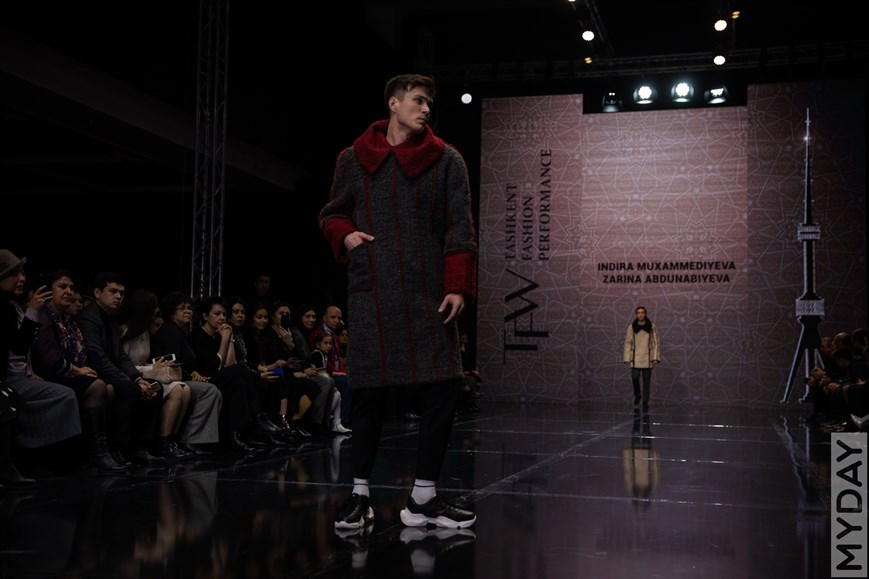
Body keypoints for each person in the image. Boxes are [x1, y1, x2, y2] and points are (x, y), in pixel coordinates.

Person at [319, 74, 478, 530]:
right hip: (373, 288)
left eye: (430, 103)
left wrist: (457, 285)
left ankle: (423, 498)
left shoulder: (446, 159)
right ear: (393, 103)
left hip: (429, 291)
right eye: (418, 101)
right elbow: (333, 212)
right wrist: (346, 235)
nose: (426, 109)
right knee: (369, 392)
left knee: (444, 387)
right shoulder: (353, 159)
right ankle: (359, 494)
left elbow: (460, 227)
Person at [30, 267, 127, 472]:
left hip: (68, 373)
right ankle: (98, 453)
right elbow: (48, 360)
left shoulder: (67, 320)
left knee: (110, 388)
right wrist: (78, 371)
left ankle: (101, 450)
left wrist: (83, 370)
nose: (68, 292)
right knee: (97, 386)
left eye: (71, 288)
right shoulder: (44, 316)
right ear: (49, 291)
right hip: (48, 375)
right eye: (62, 287)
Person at [120, 289, 222, 459]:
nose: (157, 310)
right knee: (188, 389)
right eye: (183, 308)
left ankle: (171, 440)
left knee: (184, 389)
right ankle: (166, 442)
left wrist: (155, 366)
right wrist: (154, 368)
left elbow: (150, 362)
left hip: (150, 374)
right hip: (135, 377)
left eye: (190, 308)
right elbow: (124, 363)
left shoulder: (146, 332)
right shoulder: (129, 331)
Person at [76, 272, 165, 465]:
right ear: (97, 293)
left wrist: (138, 378)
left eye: (122, 293)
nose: (118, 296)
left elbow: (121, 356)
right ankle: (116, 447)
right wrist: (131, 382)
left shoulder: (110, 319)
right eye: (113, 291)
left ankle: (138, 445)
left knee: (154, 387)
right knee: (131, 389)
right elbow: (97, 358)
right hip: (93, 372)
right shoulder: (89, 318)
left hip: (109, 371)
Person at [310, 331, 351, 434]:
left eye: (330, 343)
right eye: (326, 343)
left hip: (323, 382)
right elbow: (320, 373)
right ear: (318, 344)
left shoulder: (324, 355)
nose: (329, 346)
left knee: (338, 395)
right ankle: (323, 419)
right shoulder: (316, 354)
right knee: (333, 386)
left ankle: (336, 423)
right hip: (317, 383)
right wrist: (332, 384)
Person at [622, 306, 660, 411]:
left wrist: (655, 357)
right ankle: (638, 395)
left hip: (647, 357)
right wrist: (627, 358)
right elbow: (628, 343)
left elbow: (656, 342)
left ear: (645, 314)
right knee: (635, 378)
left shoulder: (652, 326)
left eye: (642, 312)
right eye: (638, 313)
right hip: (635, 357)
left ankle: (645, 401)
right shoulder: (632, 327)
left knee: (646, 382)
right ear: (636, 314)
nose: (641, 314)